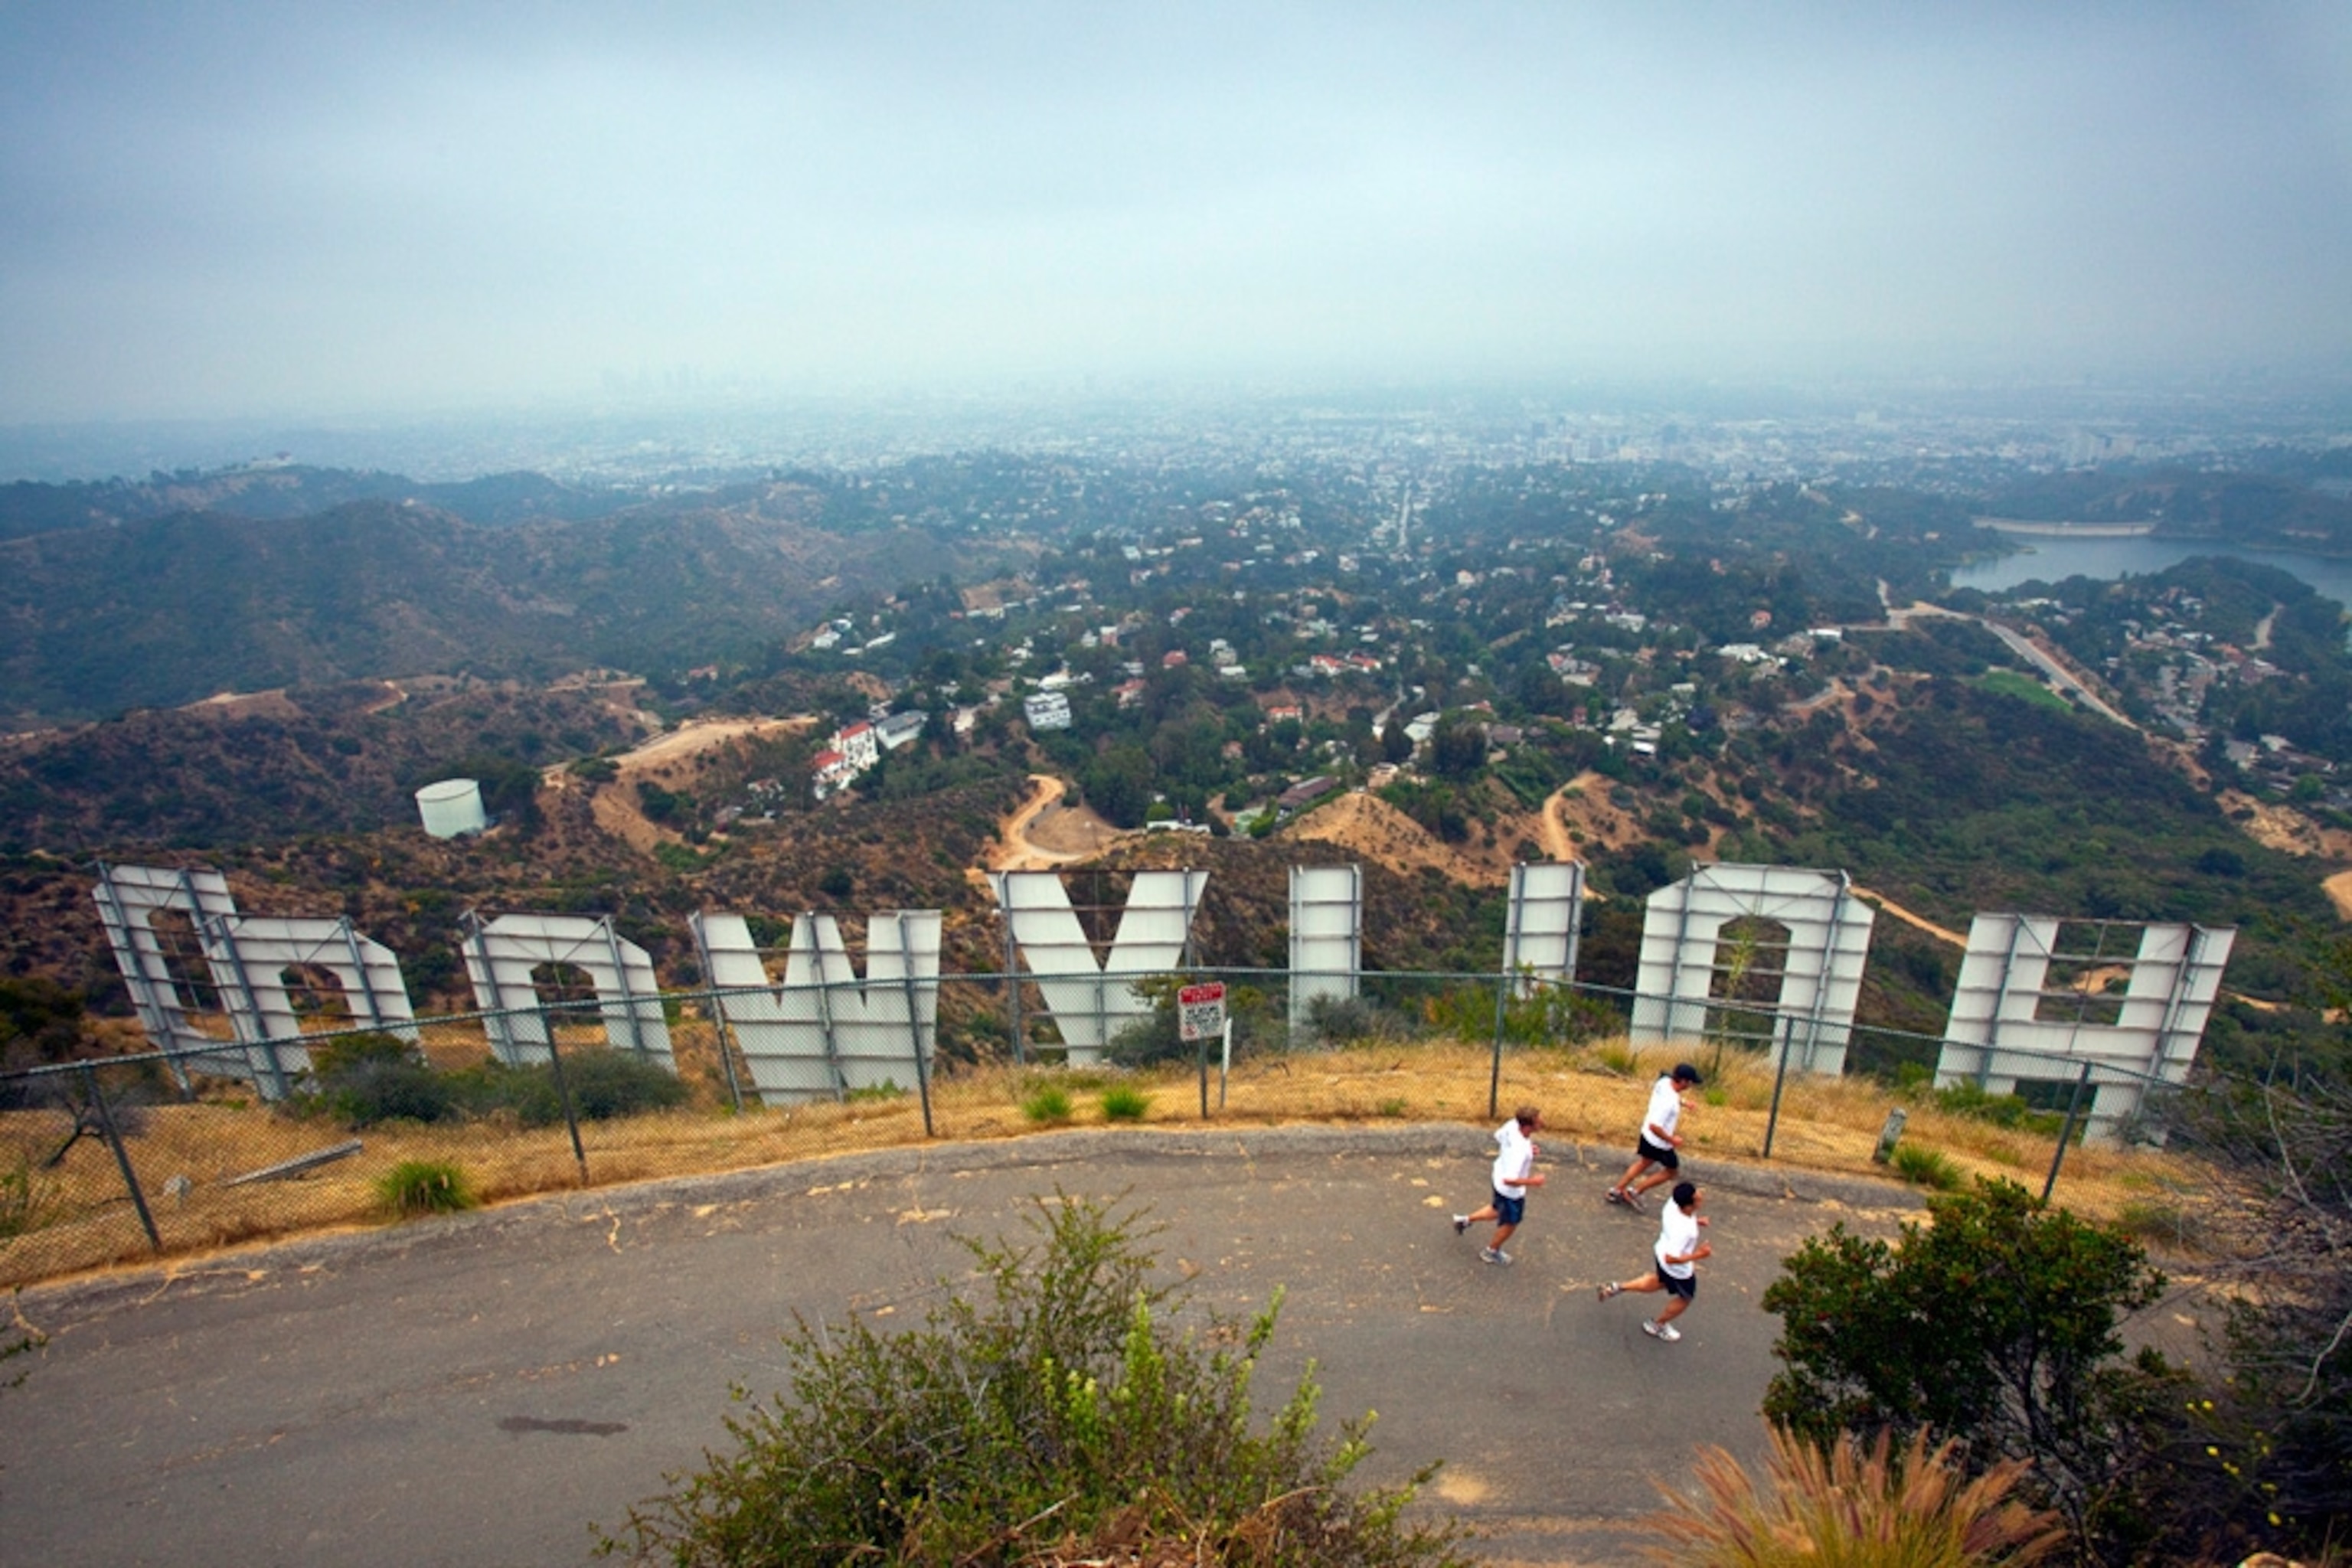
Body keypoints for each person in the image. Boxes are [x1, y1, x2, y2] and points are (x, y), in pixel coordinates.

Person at [1596, 1180, 1710, 1341]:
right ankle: (1657, 1325)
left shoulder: (1673, 1204)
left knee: (1660, 1281)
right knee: (1686, 1298)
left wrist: (1697, 1221)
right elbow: (1671, 1258)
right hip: (1678, 1270)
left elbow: (1681, 1220)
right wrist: (1699, 1255)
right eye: (1697, 1196)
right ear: (1688, 1206)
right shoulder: (1686, 1231)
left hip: (1660, 1250)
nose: (1700, 1194)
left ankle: (1617, 1288)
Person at [1452, 1104, 1544, 1265]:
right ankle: (1491, 1252)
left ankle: (1465, 1220)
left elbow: (1498, 1136)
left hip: (1498, 1176)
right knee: (1511, 1223)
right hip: (1510, 1192)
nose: (1542, 1122)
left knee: (1496, 1209)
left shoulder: (1512, 1125)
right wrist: (1533, 1182)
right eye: (1538, 1121)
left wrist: (1529, 1149)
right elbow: (1510, 1180)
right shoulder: (1520, 1151)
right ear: (1529, 1126)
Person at [1606, 1062, 1701, 1211]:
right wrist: (1672, 1140)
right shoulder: (1669, 1103)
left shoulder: (1664, 1082)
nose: (1691, 1085)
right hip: (1659, 1142)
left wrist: (1684, 1102)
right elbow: (1655, 1126)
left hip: (1646, 1135)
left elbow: (1670, 1096)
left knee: (1643, 1163)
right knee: (1671, 1171)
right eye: (1690, 1082)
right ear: (1683, 1081)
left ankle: (1616, 1190)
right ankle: (1635, 1192)